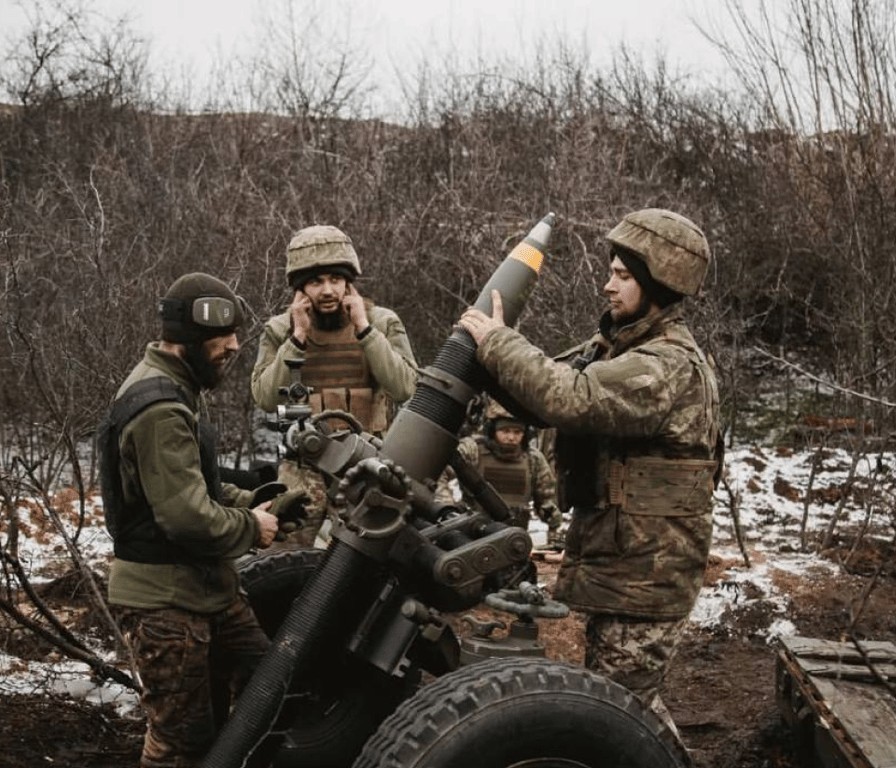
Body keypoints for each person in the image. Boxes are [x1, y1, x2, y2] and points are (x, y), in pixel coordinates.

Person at [457, 208, 722, 751]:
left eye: (623, 274)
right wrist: (486, 357)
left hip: (647, 571)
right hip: (627, 562)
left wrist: (499, 342)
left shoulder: (665, 365)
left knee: (621, 715)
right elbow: (539, 395)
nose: (607, 284)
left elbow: (569, 397)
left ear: (659, 281)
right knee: (628, 707)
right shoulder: (620, 348)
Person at [98, 272, 288, 768]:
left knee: (265, 683)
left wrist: (256, 502)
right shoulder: (159, 405)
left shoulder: (178, 388)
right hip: (165, 603)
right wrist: (250, 528)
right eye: (220, 337)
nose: (233, 346)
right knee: (181, 743)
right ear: (185, 340)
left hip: (205, 590)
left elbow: (193, 485)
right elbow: (185, 516)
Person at [251, 224, 419, 547]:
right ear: (300, 289)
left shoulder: (382, 322)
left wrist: (365, 330)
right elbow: (265, 398)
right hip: (302, 465)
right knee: (282, 557)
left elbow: (406, 388)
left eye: (335, 280)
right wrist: (297, 339)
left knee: (374, 555)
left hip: (366, 461)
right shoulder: (279, 330)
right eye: (315, 281)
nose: (327, 290)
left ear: (348, 283)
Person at [439, 398, 563, 544]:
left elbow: (547, 501)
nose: (511, 437)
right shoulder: (472, 450)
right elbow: (439, 470)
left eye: (517, 432)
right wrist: (447, 507)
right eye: (505, 431)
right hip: (474, 533)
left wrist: (554, 529)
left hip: (514, 536)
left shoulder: (533, 459)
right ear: (493, 430)